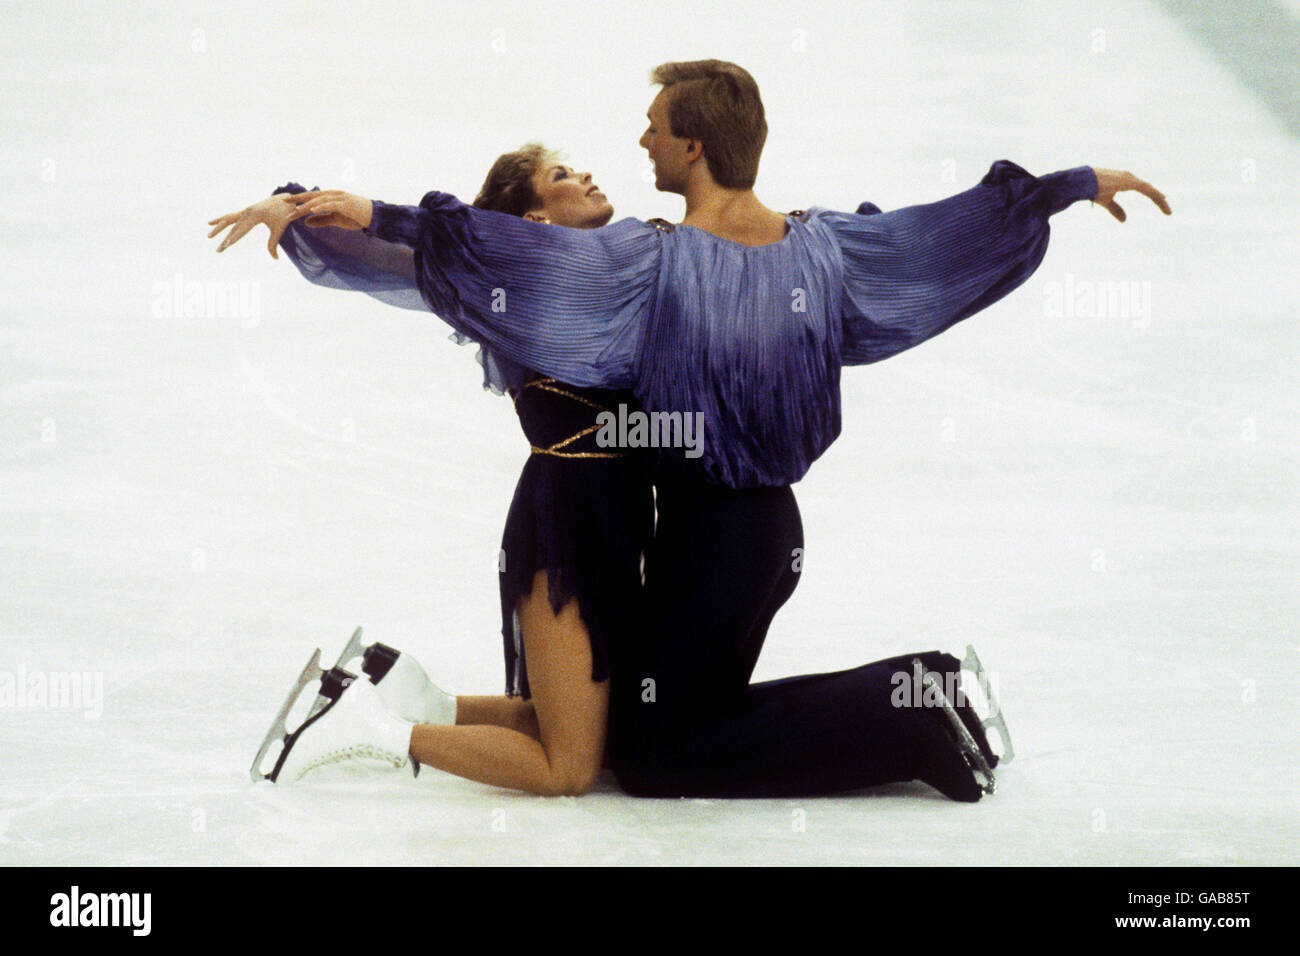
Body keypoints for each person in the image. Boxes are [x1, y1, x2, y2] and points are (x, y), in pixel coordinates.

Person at [212, 59, 1169, 800]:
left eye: (656, 130)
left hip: (714, 534)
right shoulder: (826, 248)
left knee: (660, 752)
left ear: (695, 148)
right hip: (729, 531)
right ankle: (408, 698)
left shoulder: (648, 267)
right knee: (638, 728)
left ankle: (920, 705)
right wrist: (1067, 184)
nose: (638, 143)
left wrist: (363, 209)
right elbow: (937, 238)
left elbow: (489, 248)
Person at [212, 146, 653, 796]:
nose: (586, 174)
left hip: (617, 514)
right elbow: (393, 256)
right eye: (561, 176)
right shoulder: (505, 286)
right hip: (566, 521)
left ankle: (426, 702)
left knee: (580, 724)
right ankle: (364, 730)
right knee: (569, 769)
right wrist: (299, 208)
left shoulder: (620, 267)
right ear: (531, 220)